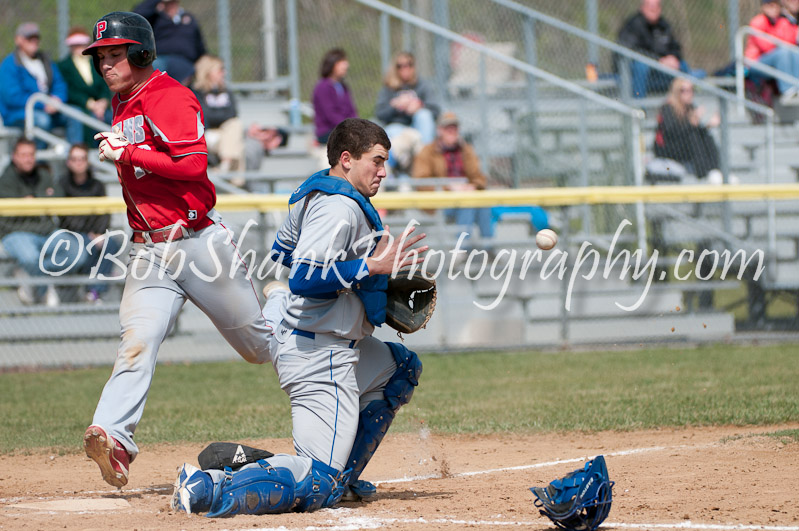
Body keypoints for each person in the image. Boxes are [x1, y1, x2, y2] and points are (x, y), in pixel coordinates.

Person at [170, 118, 426, 516]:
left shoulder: (318, 191)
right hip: (320, 356)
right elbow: (305, 278)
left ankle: (343, 479)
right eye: (376, 161)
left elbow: (286, 253)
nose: (383, 171)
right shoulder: (338, 207)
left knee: (400, 368)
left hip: (312, 336)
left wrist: (359, 277)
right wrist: (369, 269)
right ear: (346, 159)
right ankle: (207, 486)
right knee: (317, 481)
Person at [80, 11, 282, 489]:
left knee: (259, 348)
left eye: (116, 54)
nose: (107, 64)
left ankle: (282, 304)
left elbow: (191, 166)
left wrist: (126, 153)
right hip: (150, 252)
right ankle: (115, 439)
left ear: (142, 53)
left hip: (199, 244)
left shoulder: (170, 96)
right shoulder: (123, 104)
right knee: (138, 340)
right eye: (102, 57)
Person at [0, 137, 65, 307]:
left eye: (31, 154)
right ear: (14, 156)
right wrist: (42, 200)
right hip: (15, 234)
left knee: (75, 251)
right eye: (23, 155)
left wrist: (32, 200)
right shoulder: (5, 180)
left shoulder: (43, 174)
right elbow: (10, 221)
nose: (28, 159)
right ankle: (44, 291)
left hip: (45, 231)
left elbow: (59, 195)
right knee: (30, 258)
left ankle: (29, 277)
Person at [412, 111, 494, 244]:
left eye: (454, 128)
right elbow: (420, 181)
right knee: (467, 203)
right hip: (440, 202)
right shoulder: (427, 151)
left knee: (482, 203)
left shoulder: (466, 150)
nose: (452, 131)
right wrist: (449, 187)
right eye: (447, 128)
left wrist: (472, 186)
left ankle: (488, 248)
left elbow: (479, 177)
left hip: (465, 197)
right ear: (439, 130)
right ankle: (461, 250)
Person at [58, 143, 124, 303]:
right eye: (74, 159)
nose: (78, 163)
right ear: (68, 162)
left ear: (88, 161)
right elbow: (63, 217)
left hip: (95, 233)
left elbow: (103, 213)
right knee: (87, 245)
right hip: (71, 233)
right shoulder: (62, 184)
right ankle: (86, 287)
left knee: (111, 244)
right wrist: (89, 233)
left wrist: (99, 232)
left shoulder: (97, 185)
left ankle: (94, 291)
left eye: (82, 159)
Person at [0, 22, 81, 146]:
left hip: (48, 109)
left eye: (36, 38)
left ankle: (76, 158)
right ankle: (38, 161)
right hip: (17, 114)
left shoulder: (45, 60)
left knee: (75, 114)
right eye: (29, 38)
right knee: (42, 120)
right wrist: (43, 104)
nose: (34, 41)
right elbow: (12, 97)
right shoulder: (10, 64)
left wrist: (57, 99)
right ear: (18, 40)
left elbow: (59, 84)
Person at [653, 78, 731, 184]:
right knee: (693, 136)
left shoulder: (690, 107)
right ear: (676, 92)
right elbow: (671, 132)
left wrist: (708, 125)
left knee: (706, 136)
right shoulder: (667, 108)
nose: (689, 94)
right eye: (684, 90)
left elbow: (695, 130)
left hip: (683, 146)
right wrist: (691, 123)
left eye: (691, 90)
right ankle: (704, 174)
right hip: (667, 149)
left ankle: (715, 170)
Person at [375, 51, 440, 174]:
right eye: (400, 65)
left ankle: (425, 159)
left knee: (424, 115)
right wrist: (395, 106)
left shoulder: (422, 85)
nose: (405, 68)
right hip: (398, 128)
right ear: (395, 68)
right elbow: (380, 113)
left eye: (408, 65)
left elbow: (436, 110)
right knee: (392, 132)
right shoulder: (389, 88)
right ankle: (397, 171)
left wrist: (419, 106)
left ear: (413, 67)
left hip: (417, 130)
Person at [616, 0, 697, 98]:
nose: (653, 9)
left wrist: (673, 57)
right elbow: (630, 50)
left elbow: (675, 46)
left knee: (683, 65)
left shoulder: (663, 25)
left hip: (661, 68)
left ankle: (682, 108)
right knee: (641, 66)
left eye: (656, 6)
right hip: (639, 69)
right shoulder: (633, 25)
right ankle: (639, 108)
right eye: (650, 6)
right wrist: (658, 60)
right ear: (642, 7)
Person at [57, 27, 114, 145]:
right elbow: (69, 90)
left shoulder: (97, 63)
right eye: (76, 45)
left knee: (114, 121)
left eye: (82, 44)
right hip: (81, 107)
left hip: (101, 109)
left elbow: (105, 85)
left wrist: (103, 102)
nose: (79, 48)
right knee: (88, 123)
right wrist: (90, 104)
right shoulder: (64, 66)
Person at [133, 0, 206, 85]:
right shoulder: (155, 17)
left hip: (184, 62)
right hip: (160, 58)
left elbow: (200, 45)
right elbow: (137, 16)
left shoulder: (189, 19)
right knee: (153, 69)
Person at [192, 54, 244, 172]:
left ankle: (225, 167)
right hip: (205, 134)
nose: (224, 73)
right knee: (236, 144)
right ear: (209, 72)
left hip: (225, 133)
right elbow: (205, 117)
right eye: (220, 69)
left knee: (235, 125)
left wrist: (215, 114)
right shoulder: (197, 92)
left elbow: (233, 114)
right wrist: (221, 115)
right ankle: (235, 184)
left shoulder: (226, 91)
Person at [312, 48, 358, 145]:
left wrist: (357, 125)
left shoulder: (343, 86)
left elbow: (352, 110)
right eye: (342, 62)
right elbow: (330, 115)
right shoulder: (323, 87)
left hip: (345, 129)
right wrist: (349, 127)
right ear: (332, 64)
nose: (346, 65)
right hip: (328, 131)